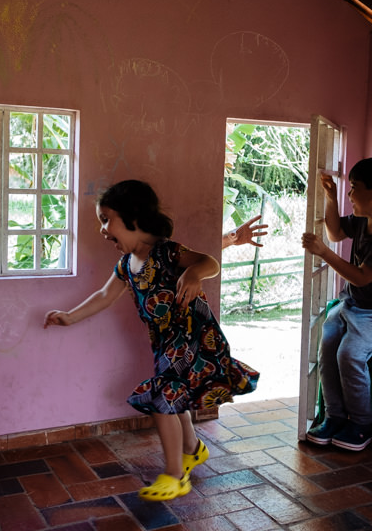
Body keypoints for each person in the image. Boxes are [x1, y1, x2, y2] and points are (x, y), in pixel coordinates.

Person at [44, 180, 259, 501]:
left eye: (106, 219)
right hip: (163, 342)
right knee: (174, 398)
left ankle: (175, 475)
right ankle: (192, 449)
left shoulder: (167, 251)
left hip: (193, 337)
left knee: (164, 399)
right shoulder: (126, 266)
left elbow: (209, 262)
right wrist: (70, 316)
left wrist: (194, 273)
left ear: (133, 216)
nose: (102, 229)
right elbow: (105, 295)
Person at [300, 156, 372, 451]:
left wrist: (324, 253)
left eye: (353, 188)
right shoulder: (363, 220)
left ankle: (361, 424)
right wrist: (331, 197)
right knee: (327, 348)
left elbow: (361, 277)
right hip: (351, 306)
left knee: (349, 356)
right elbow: (335, 232)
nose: (349, 194)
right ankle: (334, 417)